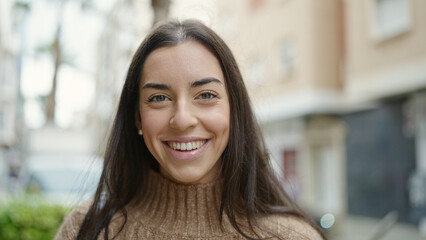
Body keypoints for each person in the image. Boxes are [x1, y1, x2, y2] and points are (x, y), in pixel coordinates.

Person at [55, 19, 325, 240]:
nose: (183, 120)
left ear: (234, 110)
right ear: (137, 117)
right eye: (159, 98)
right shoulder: (88, 229)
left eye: (206, 95)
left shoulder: (292, 237)